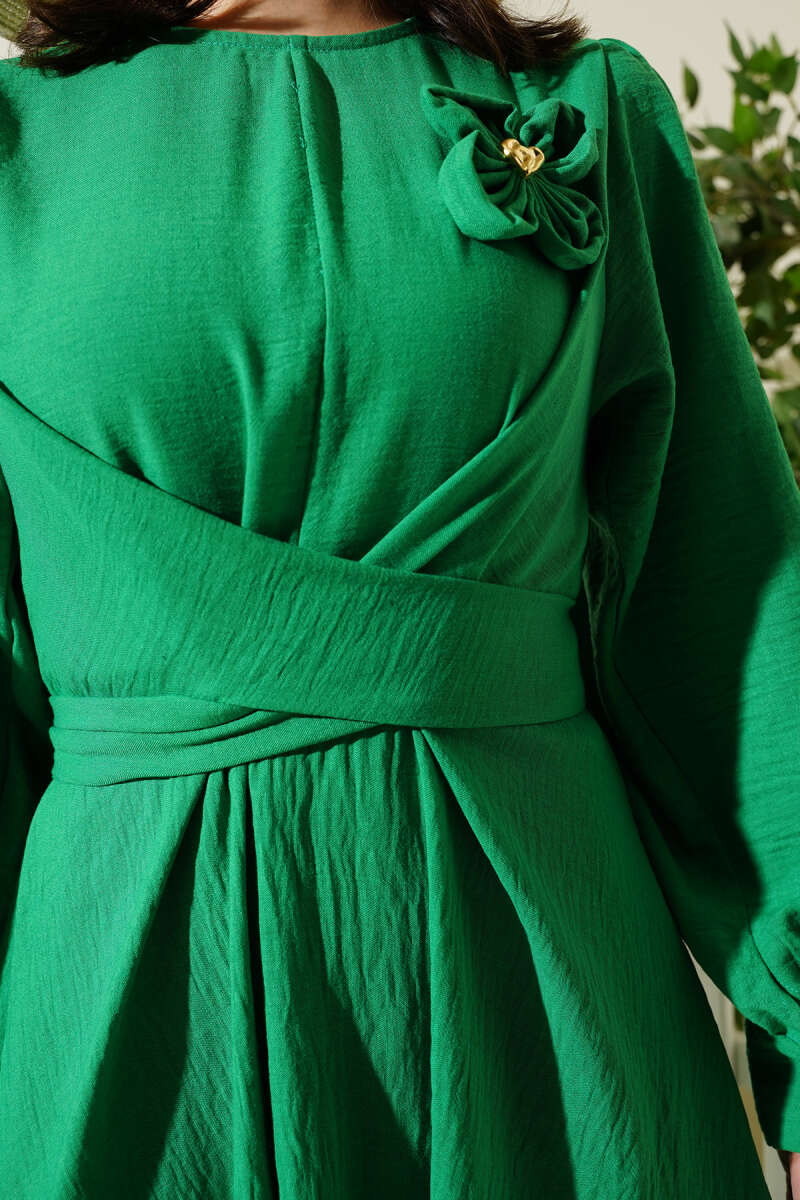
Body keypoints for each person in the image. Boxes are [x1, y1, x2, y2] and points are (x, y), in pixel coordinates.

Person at [0, 0, 799, 1196]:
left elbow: (720, 602)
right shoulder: (14, 138)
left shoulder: (585, 111)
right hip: (135, 996)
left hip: (548, 991)